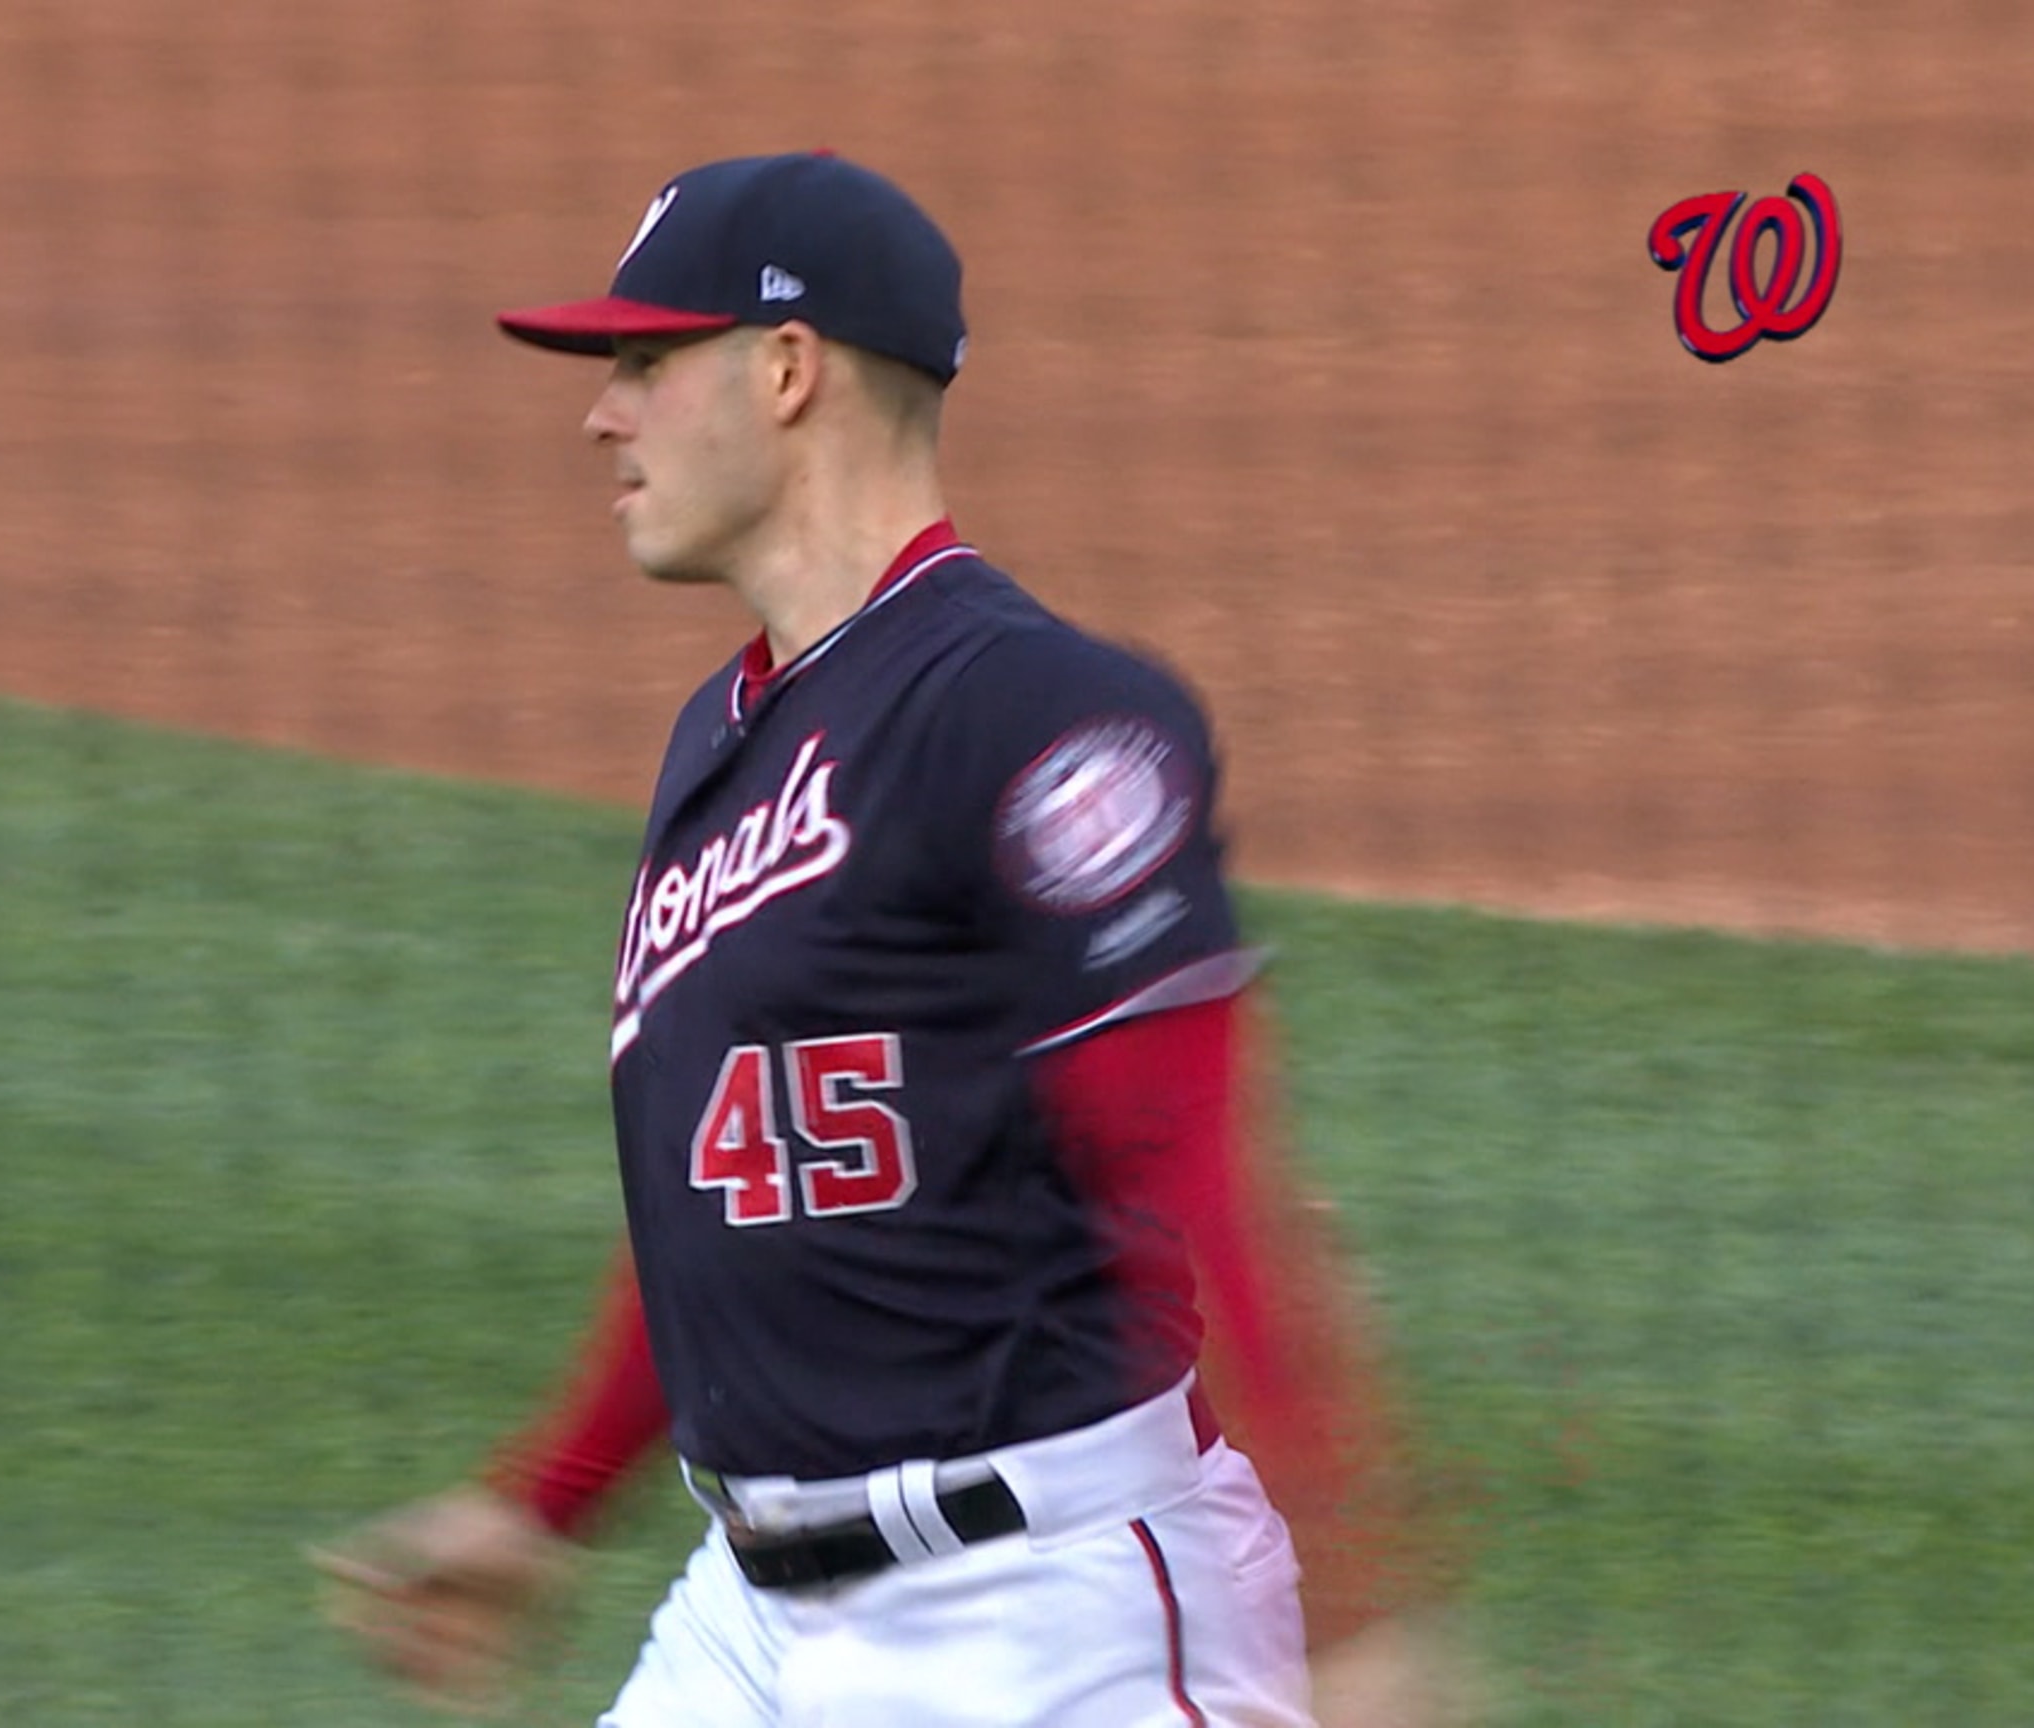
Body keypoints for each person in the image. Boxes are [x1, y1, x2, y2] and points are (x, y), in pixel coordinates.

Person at [317, 151, 1455, 1727]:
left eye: (645, 363)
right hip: (751, 1615)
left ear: (787, 371)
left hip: (1051, 1613)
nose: (603, 412)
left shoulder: (1035, 714)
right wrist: (545, 1499)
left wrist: (1360, 1622)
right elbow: (737, 1196)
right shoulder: (725, 737)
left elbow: (1192, 1173)